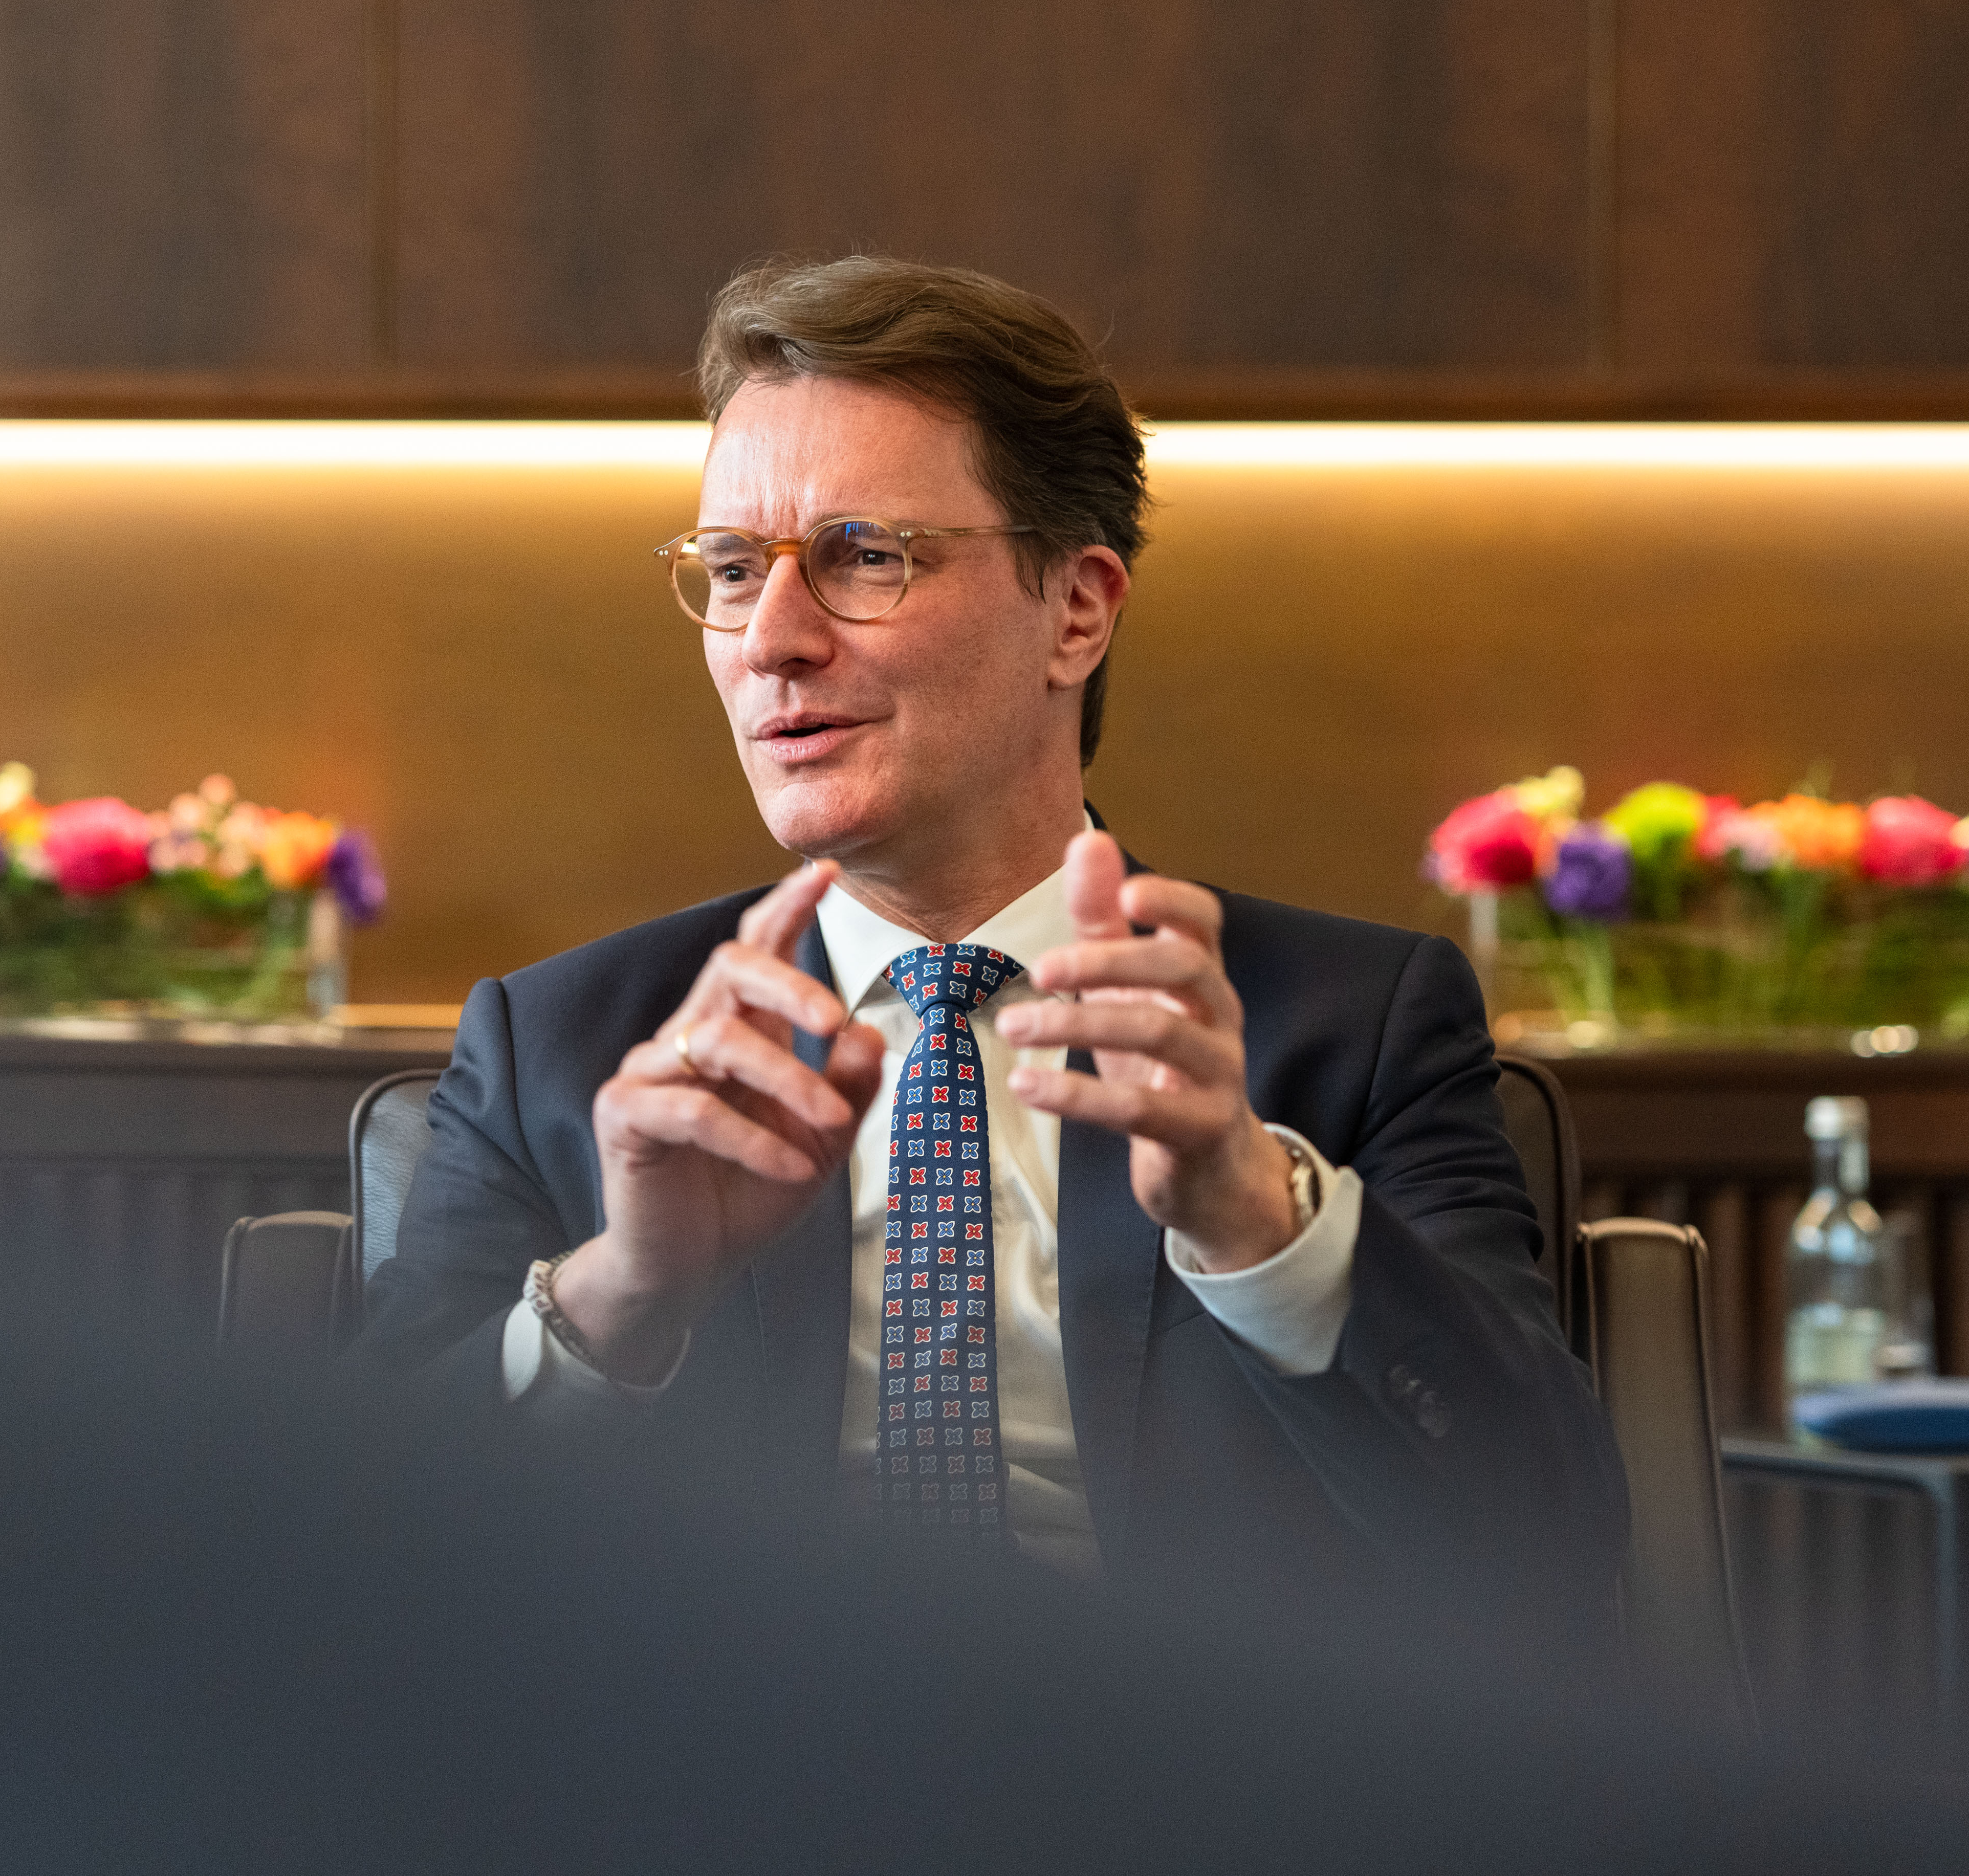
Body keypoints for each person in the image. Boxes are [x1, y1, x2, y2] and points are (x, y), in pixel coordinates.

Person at [358, 256, 1628, 1629]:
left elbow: (1556, 1558)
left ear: (1075, 610)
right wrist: (622, 1293)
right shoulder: (561, 1049)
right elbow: (342, 1565)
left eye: (864, 556)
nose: (771, 639)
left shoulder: (1349, 1027)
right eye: (730, 570)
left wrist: (1255, 1218)